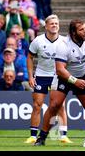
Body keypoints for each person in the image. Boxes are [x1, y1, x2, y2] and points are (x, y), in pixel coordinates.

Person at [34, 19, 85, 147]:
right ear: (73, 33)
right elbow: (59, 69)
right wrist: (75, 81)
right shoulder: (64, 44)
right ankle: (41, 138)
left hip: (82, 75)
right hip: (63, 77)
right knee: (54, 105)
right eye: (81, 29)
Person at [25, 15, 70, 144]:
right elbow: (29, 57)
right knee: (37, 105)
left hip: (58, 76)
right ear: (46, 26)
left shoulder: (65, 41)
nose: (54, 25)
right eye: (52, 23)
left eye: (56, 23)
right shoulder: (38, 41)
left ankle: (63, 136)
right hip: (41, 75)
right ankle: (33, 136)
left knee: (60, 105)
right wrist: (30, 75)